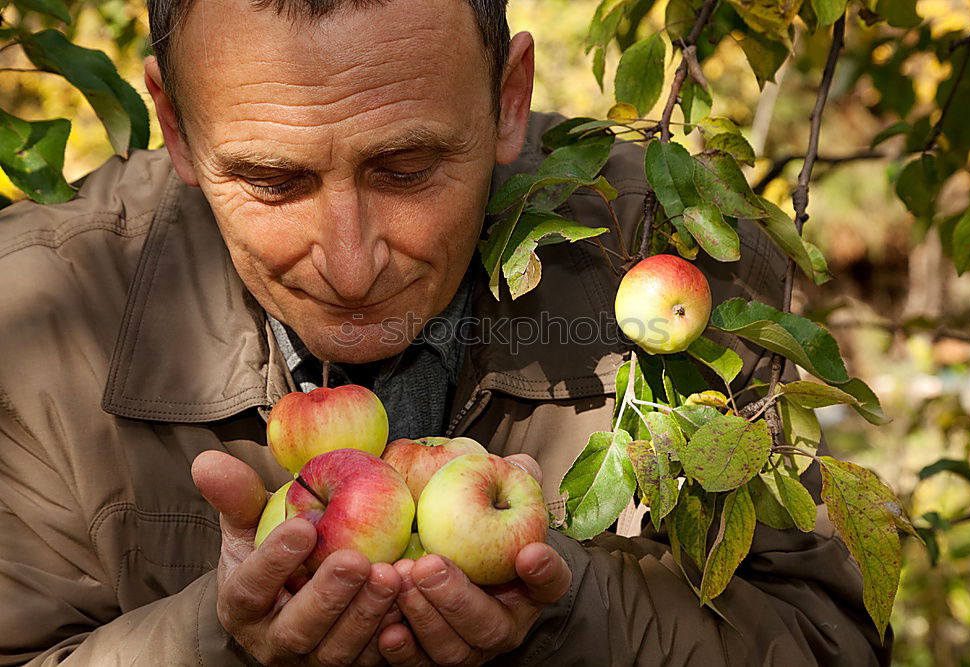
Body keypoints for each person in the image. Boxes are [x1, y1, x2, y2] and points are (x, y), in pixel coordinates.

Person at [0, 0, 891, 664]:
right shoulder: (33, 318)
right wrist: (214, 638)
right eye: (273, 182)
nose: (349, 266)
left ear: (508, 99)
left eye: (408, 167)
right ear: (174, 124)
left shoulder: (676, 259)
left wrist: (568, 612)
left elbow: (830, 644)